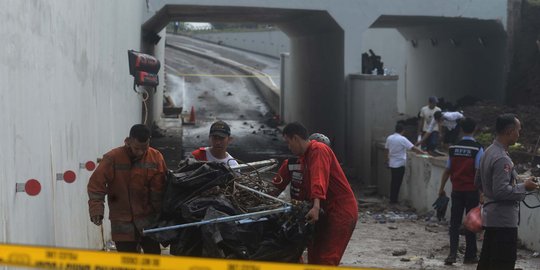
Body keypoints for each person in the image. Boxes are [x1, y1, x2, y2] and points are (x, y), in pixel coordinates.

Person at [272, 122, 358, 265]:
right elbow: (281, 185)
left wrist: (316, 206)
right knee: (314, 256)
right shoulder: (300, 160)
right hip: (321, 210)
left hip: (339, 210)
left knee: (326, 259)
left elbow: (318, 179)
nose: (288, 147)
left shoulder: (318, 150)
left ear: (296, 138)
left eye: (288, 142)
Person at [87, 124, 167, 254]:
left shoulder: (156, 158)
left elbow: (162, 189)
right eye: (136, 148)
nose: (140, 152)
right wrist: (96, 209)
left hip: (149, 221)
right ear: (128, 141)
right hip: (122, 222)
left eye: (144, 148)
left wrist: (163, 216)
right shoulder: (112, 158)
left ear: (149, 141)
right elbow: (96, 184)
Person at [475, 113, 539, 270]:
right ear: (510, 131)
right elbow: (501, 191)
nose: (519, 134)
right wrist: (525, 186)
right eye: (518, 130)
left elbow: (478, 181)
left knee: (487, 262)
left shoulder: (488, 152)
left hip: (491, 218)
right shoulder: (502, 158)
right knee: (502, 263)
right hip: (503, 221)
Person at [438, 117, 484, 265]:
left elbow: (447, 170)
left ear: (462, 129)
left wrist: (441, 189)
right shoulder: (478, 148)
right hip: (471, 191)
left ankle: (452, 254)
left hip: (456, 190)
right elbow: (478, 172)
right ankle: (470, 255)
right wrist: (481, 192)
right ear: (474, 129)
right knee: (471, 222)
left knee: (454, 223)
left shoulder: (453, 148)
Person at [385, 122, 426, 204]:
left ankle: (392, 199)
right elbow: (413, 148)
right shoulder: (402, 139)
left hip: (392, 163)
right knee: (397, 182)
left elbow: (387, 149)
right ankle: (394, 200)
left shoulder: (389, 138)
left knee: (393, 181)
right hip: (400, 163)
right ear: (402, 131)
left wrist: (387, 160)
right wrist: (423, 153)